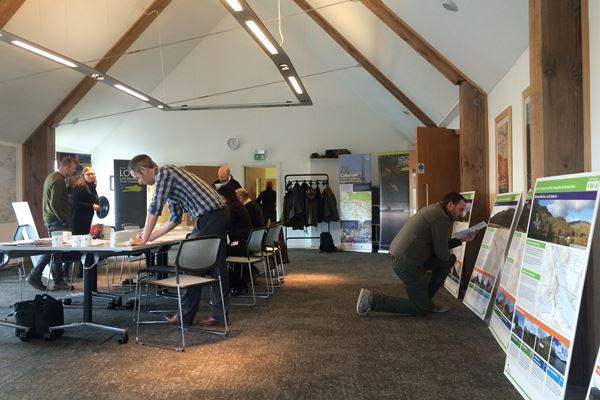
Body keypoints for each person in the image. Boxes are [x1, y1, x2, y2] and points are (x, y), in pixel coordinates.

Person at [128, 154, 230, 327]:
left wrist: (144, 238)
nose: (140, 182)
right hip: (217, 215)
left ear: (144, 170)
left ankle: (184, 318)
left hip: (211, 217)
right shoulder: (170, 181)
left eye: (138, 178)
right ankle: (219, 317)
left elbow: (155, 207)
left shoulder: (165, 173)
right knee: (217, 269)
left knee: (192, 267)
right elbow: (175, 219)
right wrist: (150, 237)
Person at [356, 192, 477, 317]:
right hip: (407, 263)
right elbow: (441, 254)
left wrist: (460, 240)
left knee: (449, 260)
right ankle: (371, 300)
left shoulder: (435, 209)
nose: (461, 214)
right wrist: (444, 253)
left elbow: (440, 249)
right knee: (419, 309)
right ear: (451, 205)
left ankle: (425, 300)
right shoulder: (440, 217)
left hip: (406, 257)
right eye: (460, 210)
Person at [26, 157, 78, 291]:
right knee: (54, 249)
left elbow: (57, 198)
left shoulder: (52, 177)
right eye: (73, 168)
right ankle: (35, 275)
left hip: (51, 218)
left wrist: (70, 188)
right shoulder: (59, 180)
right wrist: (63, 220)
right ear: (66, 167)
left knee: (56, 250)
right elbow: (54, 203)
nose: (74, 171)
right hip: (56, 220)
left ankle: (58, 281)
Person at [69, 166, 100, 235]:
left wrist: (98, 207)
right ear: (83, 176)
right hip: (77, 222)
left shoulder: (92, 188)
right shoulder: (79, 188)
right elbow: (74, 203)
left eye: (93, 174)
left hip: (86, 221)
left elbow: (95, 201)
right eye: (88, 174)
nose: (91, 176)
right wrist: (91, 206)